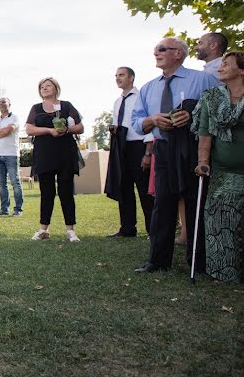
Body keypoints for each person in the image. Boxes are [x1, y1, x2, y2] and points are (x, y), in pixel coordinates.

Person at [132, 37, 219, 273]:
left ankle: (198, 262)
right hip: (163, 148)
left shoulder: (203, 79)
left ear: (178, 53)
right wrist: (152, 120)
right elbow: (136, 123)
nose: (156, 53)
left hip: (193, 148)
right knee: (163, 203)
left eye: (161, 49)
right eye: (154, 50)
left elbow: (219, 108)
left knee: (195, 203)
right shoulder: (148, 87)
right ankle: (158, 261)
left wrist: (194, 116)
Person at [192, 51, 244, 282]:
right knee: (220, 221)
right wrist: (203, 162)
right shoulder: (211, 97)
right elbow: (205, 133)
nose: (220, 67)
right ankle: (224, 271)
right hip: (223, 171)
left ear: (241, 70)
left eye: (226, 63)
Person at [26, 77, 85, 242]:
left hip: (65, 153)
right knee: (47, 192)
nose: (44, 88)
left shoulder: (66, 105)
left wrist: (67, 130)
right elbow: (29, 129)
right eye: (42, 86)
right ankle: (43, 229)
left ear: (56, 88)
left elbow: (80, 127)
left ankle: (70, 230)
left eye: (48, 85)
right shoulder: (36, 108)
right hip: (44, 154)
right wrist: (48, 130)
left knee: (66, 191)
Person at [104, 67, 154, 237]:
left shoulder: (142, 97)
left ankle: (152, 229)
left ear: (131, 78)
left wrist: (148, 152)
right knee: (123, 187)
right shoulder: (117, 102)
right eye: (116, 75)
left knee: (144, 189)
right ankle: (127, 228)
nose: (117, 78)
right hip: (121, 146)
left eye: (121, 75)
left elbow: (148, 125)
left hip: (138, 146)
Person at [0, 97, 23, 217]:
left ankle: (18, 210)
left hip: (11, 154)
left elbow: (9, 130)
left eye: (4, 102)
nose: (1, 104)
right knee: (2, 184)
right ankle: (4, 209)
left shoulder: (14, 117)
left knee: (15, 182)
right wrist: (0, 132)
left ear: (9, 104)